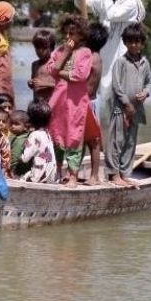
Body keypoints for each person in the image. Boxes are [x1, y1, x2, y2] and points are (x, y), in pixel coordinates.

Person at [73, 0, 146, 132]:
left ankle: (121, 140)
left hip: (123, 60)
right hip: (104, 59)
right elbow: (81, 2)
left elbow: (113, 14)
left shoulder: (132, 3)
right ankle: (103, 141)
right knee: (103, 103)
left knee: (121, 102)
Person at [46, 14, 92, 188]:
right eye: (66, 33)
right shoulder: (59, 51)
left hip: (76, 103)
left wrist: (60, 72)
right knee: (55, 134)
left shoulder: (85, 53)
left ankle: (73, 176)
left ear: (81, 34)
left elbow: (80, 75)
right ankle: (57, 171)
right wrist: (65, 53)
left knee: (74, 136)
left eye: (72, 34)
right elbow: (51, 70)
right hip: (57, 102)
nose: (68, 37)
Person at [106, 23, 151, 187]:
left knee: (131, 142)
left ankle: (125, 173)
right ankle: (114, 174)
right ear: (125, 42)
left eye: (137, 41)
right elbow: (116, 85)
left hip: (137, 110)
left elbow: (149, 83)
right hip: (120, 109)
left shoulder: (145, 63)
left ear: (142, 43)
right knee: (116, 140)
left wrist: (146, 92)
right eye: (130, 41)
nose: (134, 45)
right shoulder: (121, 62)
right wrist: (126, 103)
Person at [82, 22, 109, 186]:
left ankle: (94, 176)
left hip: (89, 103)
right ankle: (77, 173)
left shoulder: (92, 58)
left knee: (93, 141)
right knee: (82, 140)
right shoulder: (95, 56)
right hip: (86, 102)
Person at [21, 100, 57, 183]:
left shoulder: (34, 135)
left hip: (39, 176)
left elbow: (24, 158)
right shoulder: (47, 134)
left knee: (19, 177)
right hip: (51, 176)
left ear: (30, 118)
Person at [28, 29, 57, 102]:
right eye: (37, 47)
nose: (40, 51)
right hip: (38, 103)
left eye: (43, 48)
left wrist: (45, 84)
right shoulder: (34, 65)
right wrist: (31, 83)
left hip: (51, 103)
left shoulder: (56, 64)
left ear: (51, 48)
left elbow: (62, 85)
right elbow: (35, 85)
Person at [8, 109, 32, 178]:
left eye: (16, 124)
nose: (13, 126)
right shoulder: (18, 136)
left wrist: (11, 170)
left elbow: (15, 156)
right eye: (11, 123)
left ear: (25, 127)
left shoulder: (20, 139)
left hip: (18, 172)